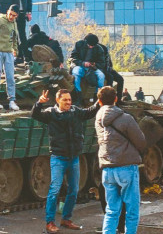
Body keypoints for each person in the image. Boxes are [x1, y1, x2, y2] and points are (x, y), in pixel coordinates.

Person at [31, 89, 100, 233]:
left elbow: (89, 112)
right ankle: (50, 222)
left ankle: (66, 219)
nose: (68, 102)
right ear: (58, 101)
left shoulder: (75, 111)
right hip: (58, 157)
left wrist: (99, 101)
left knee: (73, 190)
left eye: (69, 100)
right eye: (65, 100)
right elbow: (35, 115)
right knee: (54, 190)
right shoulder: (51, 113)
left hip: (74, 157)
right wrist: (39, 103)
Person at [95, 86, 147, 234]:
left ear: (99, 101)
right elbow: (141, 142)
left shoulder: (98, 118)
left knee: (111, 210)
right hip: (126, 168)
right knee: (132, 210)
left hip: (107, 168)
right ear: (116, 98)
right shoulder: (126, 118)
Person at [69, 33, 106, 105]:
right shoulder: (78, 45)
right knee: (76, 73)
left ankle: (97, 96)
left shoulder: (99, 49)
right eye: (89, 45)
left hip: (93, 68)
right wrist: (83, 63)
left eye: (93, 46)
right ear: (86, 42)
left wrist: (94, 64)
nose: (91, 47)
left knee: (101, 76)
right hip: (80, 65)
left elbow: (102, 63)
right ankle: (78, 96)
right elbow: (73, 58)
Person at [7, 0, 33, 64]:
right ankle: (19, 56)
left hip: (22, 12)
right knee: (14, 35)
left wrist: (29, 12)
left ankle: (26, 56)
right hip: (12, 14)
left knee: (22, 35)